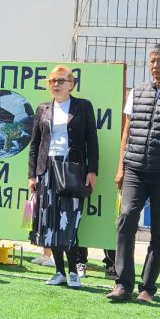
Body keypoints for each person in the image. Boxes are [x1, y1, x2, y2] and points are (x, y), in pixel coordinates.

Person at [108, 44, 160, 303]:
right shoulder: (137, 92)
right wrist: (120, 167)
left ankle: (147, 287)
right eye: (152, 61)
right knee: (126, 218)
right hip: (135, 169)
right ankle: (123, 283)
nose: (155, 66)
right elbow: (126, 131)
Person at [28, 65, 99, 289]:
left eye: (60, 81)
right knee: (50, 222)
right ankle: (59, 271)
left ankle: (74, 272)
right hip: (47, 169)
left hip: (71, 170)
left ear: (71, 84)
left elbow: (92, 140)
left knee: (69, 220)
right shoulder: (43, 109)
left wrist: (92, 170)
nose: (55, 85)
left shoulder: (83, 106)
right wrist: (32, 175)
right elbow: (35, 144)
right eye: (52, 81)